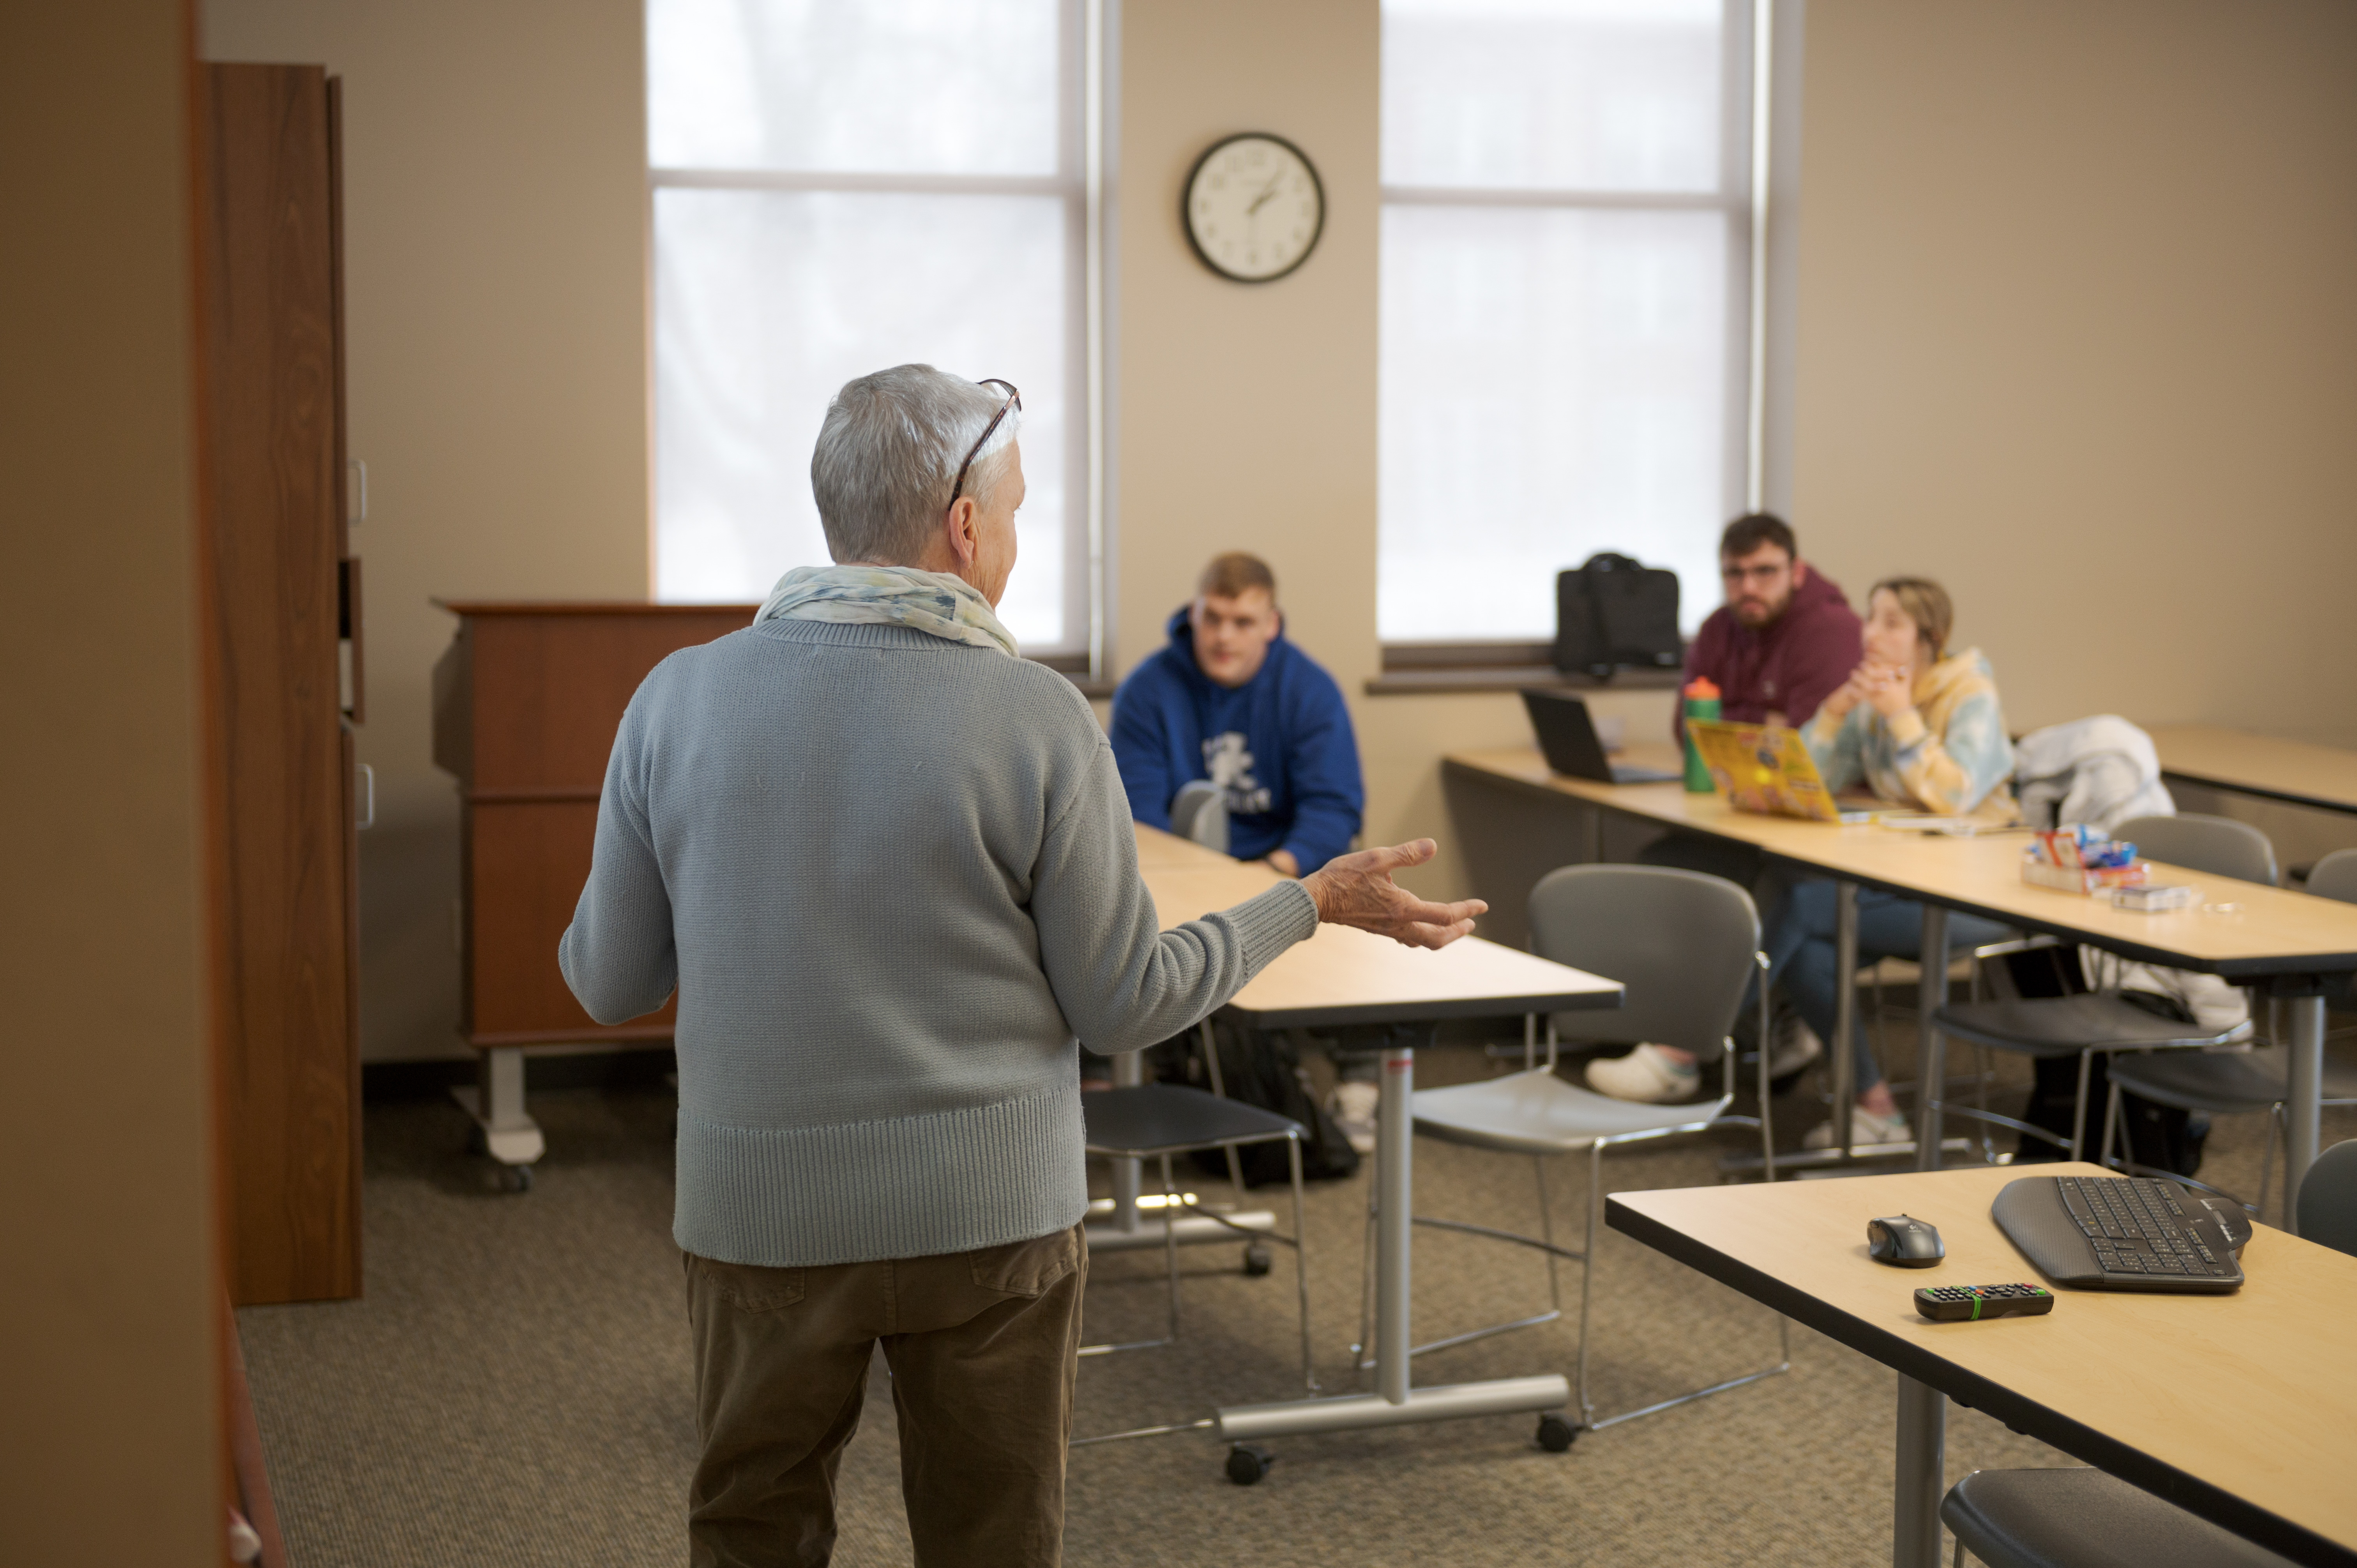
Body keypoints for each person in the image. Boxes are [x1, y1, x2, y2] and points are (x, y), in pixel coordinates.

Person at [556, 363, 1483, 1568]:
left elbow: (607, 982)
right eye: (1021, 510)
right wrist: (1304, 904)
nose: (1017, 540)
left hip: (759, 1216)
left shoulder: (672, 701)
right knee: (991, 1540)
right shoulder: (1038, 717)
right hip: (986, 1220)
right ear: (965, 523)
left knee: (751, 1530)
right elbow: (1124, 1000)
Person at [1594, 577, 2016, 1143]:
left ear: (1929, 637)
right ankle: (1879, 1112)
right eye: (1871, 617)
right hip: (1900, 882)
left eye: (1891, 622)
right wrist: (1838, 712)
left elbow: (1956, 794)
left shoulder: (1969, 695)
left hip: (1973, 894)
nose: (1871, 633)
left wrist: (1901, 717)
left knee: (1800, 901)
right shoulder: (1876, 697)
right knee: (1805, 943)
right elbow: (1810, 779)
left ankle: (1684, 1049)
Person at [1110, 552, 1362, 878]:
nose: (1224, 637)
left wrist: (1267, 875)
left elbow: (1333, 810)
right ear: (1193, 614)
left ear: (1271, 625)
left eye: (1243, 622)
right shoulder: (1146, 692)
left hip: (1284, 876)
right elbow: (1137, 815)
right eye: (1212, 618)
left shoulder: (1311, 692)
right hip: (1181, 873)